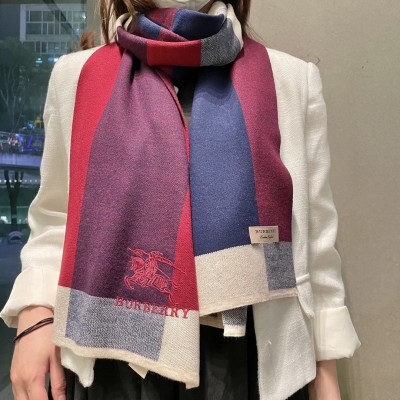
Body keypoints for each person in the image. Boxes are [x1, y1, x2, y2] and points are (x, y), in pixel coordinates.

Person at [0, 1, 361, 399]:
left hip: (250, 353)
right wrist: (35, 312)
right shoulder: (77, 77)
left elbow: (314, 239)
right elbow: (57, 215)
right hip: (111, 352)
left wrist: (325, 367)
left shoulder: (289, 80)